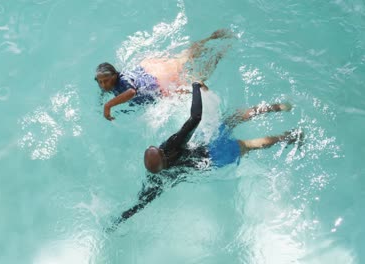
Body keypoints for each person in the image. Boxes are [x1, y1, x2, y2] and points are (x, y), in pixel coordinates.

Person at [108, 82, 303, 231]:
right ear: (161, 152)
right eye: (157, 148)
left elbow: (140, 204)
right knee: (238, 124)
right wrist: (195, 87)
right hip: (213, 154)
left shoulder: (159, 180)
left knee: (247, 142)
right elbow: (196, 117)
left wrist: (118, 221)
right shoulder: (172, 145)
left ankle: (291, 136)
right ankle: (283, 110)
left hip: (208, 156)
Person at [95, 29, 234, 121]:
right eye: (100, 82)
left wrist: (108, 105)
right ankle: (212, 41)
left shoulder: (123, 81)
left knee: (196, 78)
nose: (103, 84)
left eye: (106, 81)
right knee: (183, 57)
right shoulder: (109, 83)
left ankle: (217, 50)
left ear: (114, 76)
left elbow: (131, 91)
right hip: (147, 70)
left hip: (157, 82)